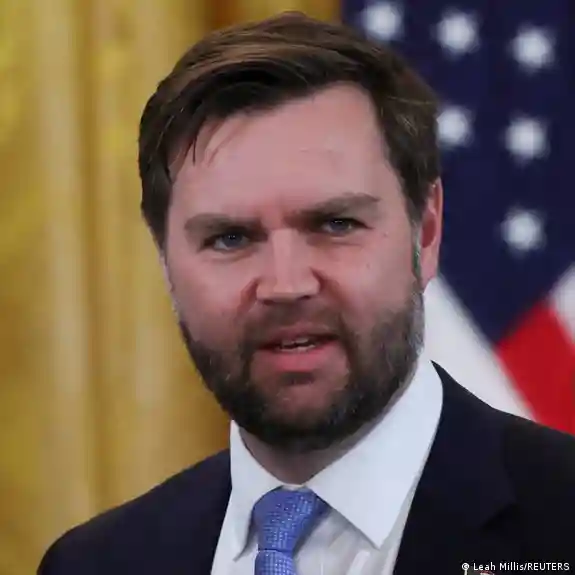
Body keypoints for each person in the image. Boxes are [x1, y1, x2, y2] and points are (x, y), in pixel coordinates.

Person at [38, 11, 575, 575]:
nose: (287, 285)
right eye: (230, 238)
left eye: (336, 224)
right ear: (165, 261)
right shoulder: (94, 564)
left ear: (427, 231)